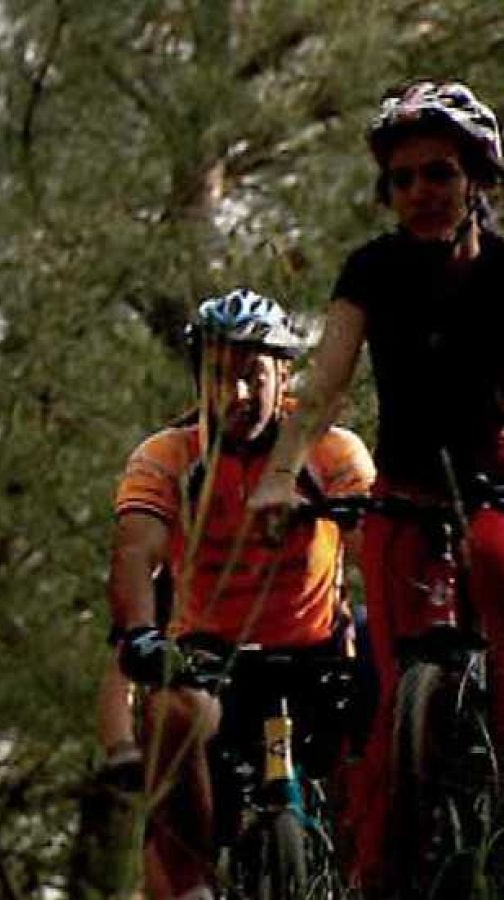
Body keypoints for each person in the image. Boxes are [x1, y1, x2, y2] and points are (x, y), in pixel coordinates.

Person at [250, 80, 504, 895]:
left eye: (439, 173)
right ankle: (380, 879)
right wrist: (282, 475)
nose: (421, 193)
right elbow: (322, 386)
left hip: (497, 494)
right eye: (402, 179)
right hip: (403, 497)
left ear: (478, 180)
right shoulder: (373, 270)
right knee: (393, 706)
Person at [111, 290, 373, 899]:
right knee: (169, 713)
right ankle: (193, 886)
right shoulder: (167, 456)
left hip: (319, 655)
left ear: (283, 374)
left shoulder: (331, 448)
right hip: (209, 659)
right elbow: (135, 551)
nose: (237, 396)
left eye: (253, 376)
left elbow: (370, 544)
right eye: (219, 377)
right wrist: (140, 634)